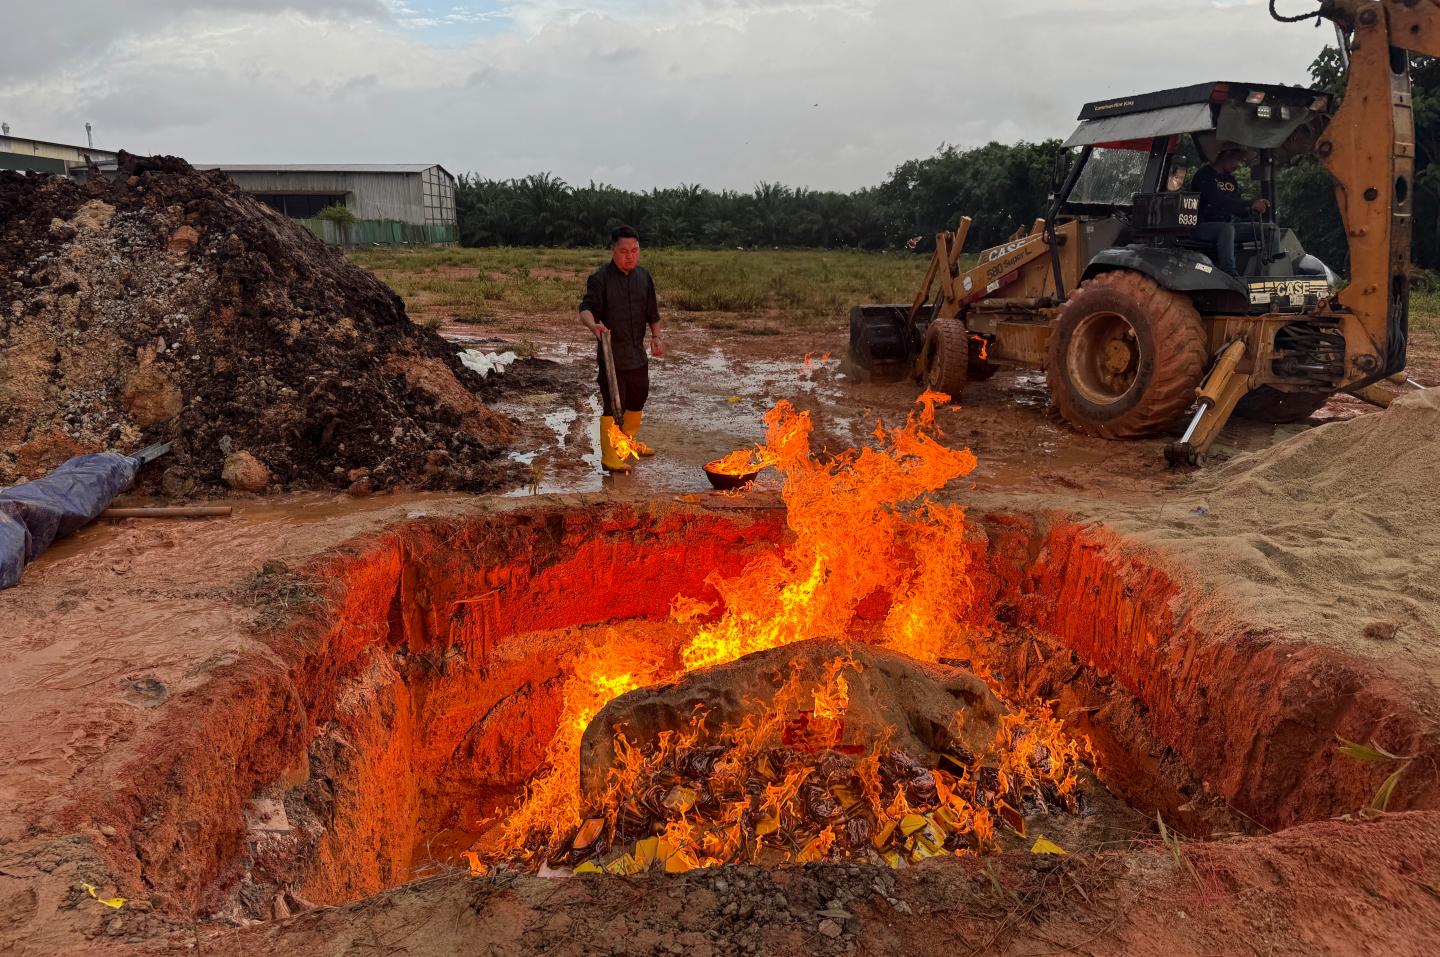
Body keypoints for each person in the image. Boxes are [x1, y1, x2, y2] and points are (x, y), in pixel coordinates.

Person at [579, 225, 666, 473]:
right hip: (611, 355)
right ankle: (609, 456)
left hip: (637, 354)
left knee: (638, 398)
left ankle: (628, 443)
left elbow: (652, 313)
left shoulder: (644, 277)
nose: (630, 256)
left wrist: (656, 337)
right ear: (613, 250)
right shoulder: (600, 279)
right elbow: (586, 309)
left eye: (634, 251)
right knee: (613, 405)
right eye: (624, 251)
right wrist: (593, 326)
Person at [1190, 147, 1271, 278]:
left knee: (1271, 230)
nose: (1240, 165)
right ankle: (1230, 273)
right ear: (1227, 154)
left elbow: (1236, 207)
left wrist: (1252, 208)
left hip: (1228, 228)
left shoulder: (1231, 180)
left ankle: (1271, 270)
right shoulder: (1204, 175)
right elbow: (1218, 201)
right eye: (1239, 160)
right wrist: (1249, 203)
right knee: (1227, 229)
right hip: (1202, 226)